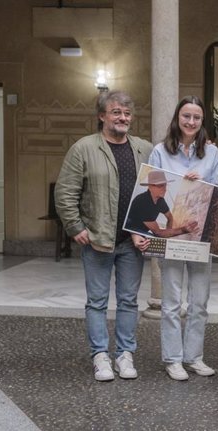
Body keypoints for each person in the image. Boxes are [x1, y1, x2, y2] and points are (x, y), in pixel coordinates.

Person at [55, 90, 153, 381]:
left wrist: (202, 145)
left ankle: (125, 355)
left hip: (131, 242)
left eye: (127, 114)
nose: (123, 118)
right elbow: (65, 193)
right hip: (97, 240)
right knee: (96, 301)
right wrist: (76, 227)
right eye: (116, 113)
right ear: (102, 116)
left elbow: (167, 174)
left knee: (128, 301)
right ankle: (100, 356)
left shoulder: (144, 149)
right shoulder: (83, 148)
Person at [132, 96, 218, 381]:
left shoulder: (211, 153)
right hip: (171, 235)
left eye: (197, 117)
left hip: (200, 237)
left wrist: (205, 182)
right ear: (177, 118)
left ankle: (194, 357)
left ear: (202, 121)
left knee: (199, 302)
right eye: (187, 116)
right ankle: (173, 359)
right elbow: (151, 188)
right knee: (171, 302)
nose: (191, 122)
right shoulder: (160, 151)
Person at [125, 170, 199, 238]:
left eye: (165, 185)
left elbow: (170, 217)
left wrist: (169, 232)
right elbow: (158, 233)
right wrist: (183, 230)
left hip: (143, 231)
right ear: (150, 187)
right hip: (130, 232)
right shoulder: (143, 201)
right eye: (160, 186)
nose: (165, 189)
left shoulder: (160, 200)